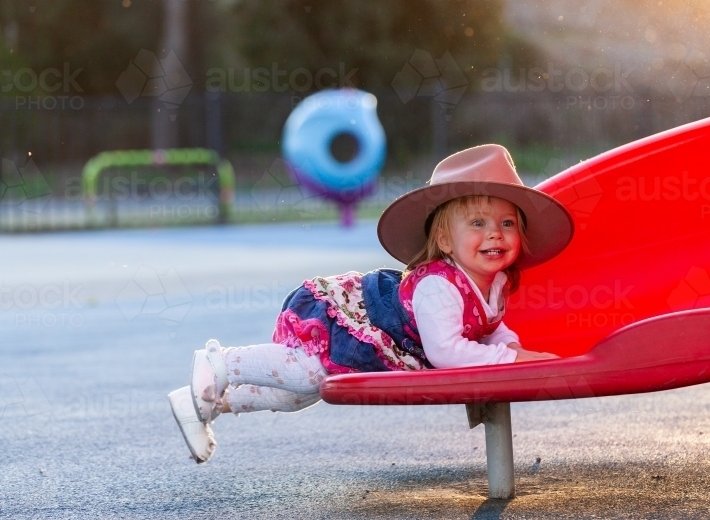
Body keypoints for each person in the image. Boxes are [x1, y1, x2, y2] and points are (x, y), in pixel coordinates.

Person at [168, 144, 574, 463]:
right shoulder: (439, 286)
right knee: (306, 373)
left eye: (507, 224)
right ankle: (219, 362)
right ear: (446, 241)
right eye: (478, 223)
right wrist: (509, 362)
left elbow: (491, 327)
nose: (495, 235)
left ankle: (209, 404)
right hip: (349, 318)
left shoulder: (497, 281)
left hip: (389, 342)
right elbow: (446, 352)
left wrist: (513, 346)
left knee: (299, 395)